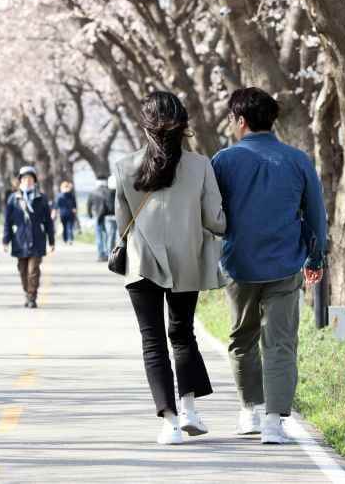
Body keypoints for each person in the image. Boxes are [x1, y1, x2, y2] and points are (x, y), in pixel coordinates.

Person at [211, 87, 326, 445]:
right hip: (285, 264)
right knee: (280, 342)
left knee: (241, 338)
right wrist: (316, 257)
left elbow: (212, 214)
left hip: (238, 264)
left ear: (240, 121)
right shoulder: (297, 159)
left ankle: (250, 411)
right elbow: (316, 215)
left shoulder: (223, 161)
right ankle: (274, 423)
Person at [113, 91, 226, 445]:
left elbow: (122, 224)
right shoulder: (200, 165)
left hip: (141, 262)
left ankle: (170, 423)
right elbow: (216, 221)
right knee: (182, 333)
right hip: (185, 260)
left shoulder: (125, 166)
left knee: (153, 341)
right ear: (182, 124)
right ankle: (189, 408)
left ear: (145, 125)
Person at [3, 166, 55, 308]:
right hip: (19, 240)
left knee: (33, 270)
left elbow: (48, 221)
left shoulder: (41, 198)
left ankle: (32, 296)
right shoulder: (13, 199)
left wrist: (51, 241)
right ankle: (27, 292)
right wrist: (6, 240)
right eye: (25, 179)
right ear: (20, 181)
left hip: (37, 239)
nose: (28, 181)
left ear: (35, 181)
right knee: (22, 270)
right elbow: (7, 221)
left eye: (30, 179)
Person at [87, 178, 113, 261]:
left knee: (99, 236)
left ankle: (100, 254)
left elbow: (89, 204)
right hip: (107, 216)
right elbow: (111, 204)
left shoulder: (93, 192)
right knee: (108, 235)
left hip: (97, 216)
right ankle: (108, 253)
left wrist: (90, 214)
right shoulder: (109, 191)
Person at [53, 180, 78, 245]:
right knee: (69, 226)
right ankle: (70, 239)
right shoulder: (71, 195)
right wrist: (75, 210)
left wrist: (55, 212)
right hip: (70, 213)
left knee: (64, 227)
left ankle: (65, 239)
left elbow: (56, 205)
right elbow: (74, 204)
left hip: (63, 213)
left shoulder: (59, 195)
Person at [104, 175, 118, 256]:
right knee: (118, 235)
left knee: (110, 235)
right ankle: (117, 253)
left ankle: (110, 254)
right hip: (117, 215)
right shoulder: (119, 192)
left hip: (108, 216)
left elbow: (104, 205)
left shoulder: (106, 193)